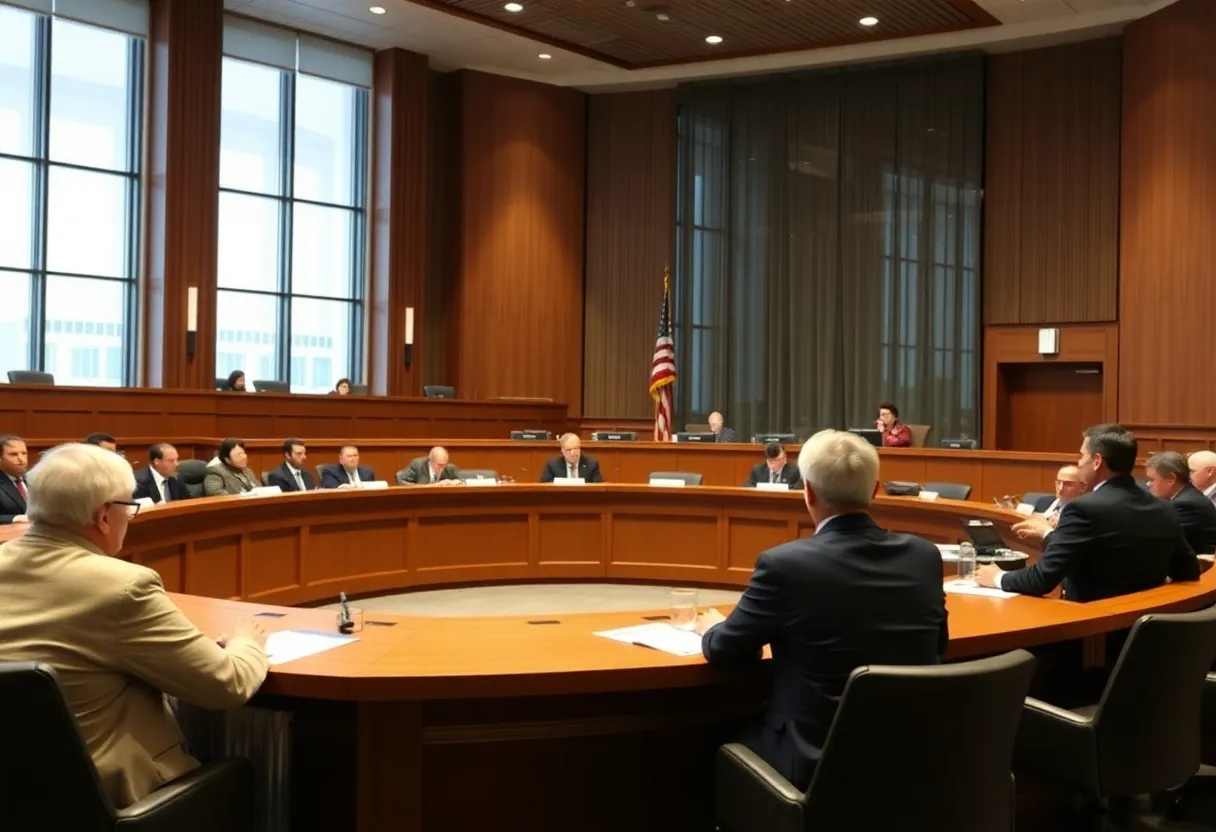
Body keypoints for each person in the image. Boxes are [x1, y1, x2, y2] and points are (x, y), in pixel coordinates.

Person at [0, 443, 269, 809]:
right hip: (104, 802)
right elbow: (227, 684)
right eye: (130, 506)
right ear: (104, 517)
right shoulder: (121, 587)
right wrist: (246, 642)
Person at [696, 430, 947, 790]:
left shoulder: (783, 565)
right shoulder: (925, 557)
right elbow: (939, 645)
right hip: (912, 758)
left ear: (808, 492)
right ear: (874, 490)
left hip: (813, 767)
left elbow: (723, 650)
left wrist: (715, 627)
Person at [975, 424, 1198, 601]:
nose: (1079, 463)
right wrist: (1048, 535)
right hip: (1143, 631)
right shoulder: (1164, 507)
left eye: (1082, 456)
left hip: (1091, 634)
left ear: (1097, 461)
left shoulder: (1083, 508)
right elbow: (1188, 571)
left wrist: (997, 577)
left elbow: (1041, 580)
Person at [1146, 451, 1216, 555]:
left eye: (1152, 479)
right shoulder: (1187, 495)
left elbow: (1159, 539)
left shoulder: (1186, 504)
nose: (1148, 484)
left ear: (1171, 478)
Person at [539, 434, 604, 483]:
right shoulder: (553, 465)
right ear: (562, 451)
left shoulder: (591, 464)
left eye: (576, 448)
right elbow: (544, 486)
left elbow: (598, 486)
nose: (573, 453)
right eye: (568, 450)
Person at [0, 434, 30, 524]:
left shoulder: (33, 478)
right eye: (13, 454)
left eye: (24, 453)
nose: (21, 459)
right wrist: (15, 518)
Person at [397, 446, 462, 486]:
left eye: (443, 464)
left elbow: (463, 481)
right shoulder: (418, 465)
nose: (441, 468)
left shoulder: (450, 468)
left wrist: (454, 483)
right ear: (430, 460)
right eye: (438, 464)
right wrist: (422, 487)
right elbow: (400, 479)